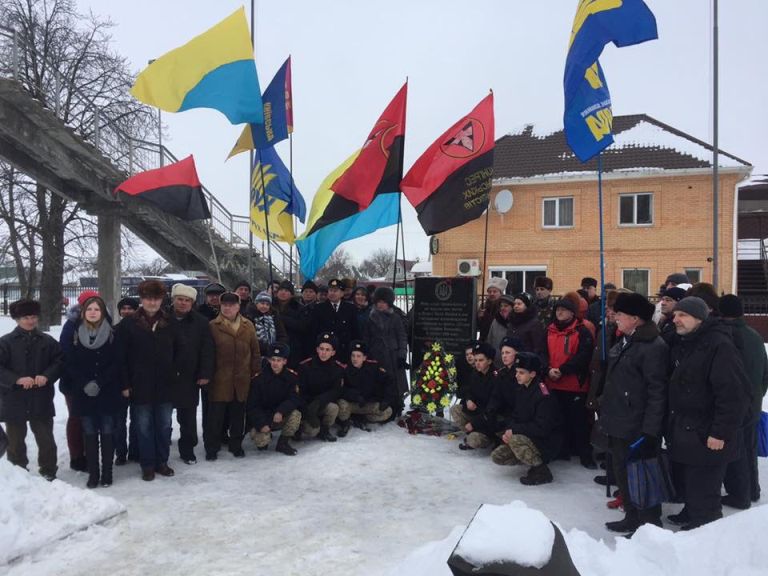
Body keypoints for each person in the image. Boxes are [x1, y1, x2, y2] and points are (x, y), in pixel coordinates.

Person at [666, 297, 749, 530]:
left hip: (709, 433)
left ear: (699, 318)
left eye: (683, 315)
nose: (676, 319)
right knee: (691, 481)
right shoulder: (687, 341)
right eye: (676, 315)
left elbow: (733, 395)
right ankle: (691, 512)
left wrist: (720, 432)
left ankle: (704, 526)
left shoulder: (719, 345)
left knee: (705, 488)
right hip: (687, 428)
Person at [597, 292, 669, 534]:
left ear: (636, 318)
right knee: (622, 472)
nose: (615, 317)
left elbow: (657, 392)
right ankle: (631, 515)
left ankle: (648, 523)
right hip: (619, 421)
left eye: (620, 314)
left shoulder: (652, 347)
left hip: (637, 425)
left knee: (642, 474)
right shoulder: (627, 340)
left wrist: (650, 431)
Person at [116, 280, 182, 481]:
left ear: (162, 300)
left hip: (165, 385)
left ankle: (162, 462)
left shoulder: (171, 323)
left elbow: (180, 352)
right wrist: (125, 384)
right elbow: (121, 357)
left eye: (156, 298)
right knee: (143, 426)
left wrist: (175, 373)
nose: (152, 303)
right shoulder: (128, 324)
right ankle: (147, 464)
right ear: (142, 300)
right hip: (139, 385)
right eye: (148, 298)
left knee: (164, 425)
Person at [62, 295, 122, 488]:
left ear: (102, 312)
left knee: (107, 430)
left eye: (97, 309)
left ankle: (107, 473)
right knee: (88, 431)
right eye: (89, 309)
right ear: (83, 312)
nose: (93, 312)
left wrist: (100, 382)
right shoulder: (75, 333)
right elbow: (69, 362)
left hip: (107, 391)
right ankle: (93, 473)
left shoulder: (113, 333)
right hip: (83, 392)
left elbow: (117, 363)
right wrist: (85, 383)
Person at [0, 299, 63, 481]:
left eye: (33, 317)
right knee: (15, 441)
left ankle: (49, 471)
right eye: (26, 317)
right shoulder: (5, 342)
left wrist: (47, 376)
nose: (30, 321)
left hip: (40, 397)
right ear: (17, 319)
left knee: (46, 440)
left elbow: (59, 362)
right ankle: (19, 473)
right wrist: (16, 379)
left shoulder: (47, 341)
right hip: (14, 399)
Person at [719, 294, 768, 507]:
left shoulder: (726, 336)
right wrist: (757, 394)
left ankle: (740, 494)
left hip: (736, 404)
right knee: (749, 447)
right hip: (753, 401)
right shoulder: (754, 335)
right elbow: (765, 373)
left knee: (735, 451)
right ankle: (752, 490)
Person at [490, 352, 562, 486]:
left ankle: (541, 470)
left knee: (515, 439)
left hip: (546, 442)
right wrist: (508, 429)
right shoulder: (522, 389)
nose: (517, 375)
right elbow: (515, 415)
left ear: (533, 374)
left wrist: (514, 431)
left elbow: (542, 428)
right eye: (517, 371)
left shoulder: (543, 395)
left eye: (521, 372)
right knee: (498, 456)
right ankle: (528, 459)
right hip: (529, 436)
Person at [206, 292, 261, 460]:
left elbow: (255, 351)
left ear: (238, 306)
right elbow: (207, 354)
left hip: (242, 380)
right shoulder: (212, 326)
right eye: (225, 305)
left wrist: (255, 370)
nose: (228, 308)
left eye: (232, 305)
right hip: (220, 380)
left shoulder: (248, 325)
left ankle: (236, 445)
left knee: (238, 417)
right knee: (216, 418)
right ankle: (212, 448)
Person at [544, 297, 595, 468]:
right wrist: (548, 369)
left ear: (572, 313)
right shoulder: (549, 330)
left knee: (579, 421)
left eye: (563, 310)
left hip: (574, 384)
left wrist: (563, 370)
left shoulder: (582, 331)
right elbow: (541, 352)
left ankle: (584, 454)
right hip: (553, 382)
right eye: (557, 309)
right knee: (558, 419)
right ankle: (561, 450)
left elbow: (584, 356)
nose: (559, 312)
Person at [168, 283, 215, 465]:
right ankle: (162, 445)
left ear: (192, 303)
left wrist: (205, 373)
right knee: (164, 416)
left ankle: (187, 449)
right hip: (166, 376)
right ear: (173, 300)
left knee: (187, 417)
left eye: (187, 300)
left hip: (190, 376)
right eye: (180, 299)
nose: (183, 303)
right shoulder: (163, 318)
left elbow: (207, 350)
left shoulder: (201, 322)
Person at [59, 289, 100, 473]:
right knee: (76, 418)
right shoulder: (71, 326)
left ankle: (90, 452)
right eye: (88, 305)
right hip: (74, 382)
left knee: (92, 418)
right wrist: (81, 379)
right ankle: (77, 456)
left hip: (96, 382)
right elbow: (66, 355)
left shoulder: (102, 323)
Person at [246, 343, 302, 456]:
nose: (275, 363)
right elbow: (252, 406)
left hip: (280, 416)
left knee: (296, 414)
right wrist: (262, 423)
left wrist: (281, 411)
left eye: (279, 360)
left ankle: (283, 443)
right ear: (268, 360)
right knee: (261, 441)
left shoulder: (291, 377)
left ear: (284, 361)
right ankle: (266, 437)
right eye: (273, 359)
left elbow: (294, 398)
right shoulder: (258, 380)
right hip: (264, 417)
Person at [363, 286, 408, 415]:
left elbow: (402, 336)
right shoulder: (371, 317)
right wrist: (367, 353)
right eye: (379, 302)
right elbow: (366, 337)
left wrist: (401, 354)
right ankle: (382, 405)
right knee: (380, 379)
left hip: (393, 355)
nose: (381, 305)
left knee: (395, 382)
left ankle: (397, 405)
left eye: (384, 302)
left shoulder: (395, 317)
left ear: (389, 303)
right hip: (376, 354)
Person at [336, 340, 394, 436]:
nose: (355, 359)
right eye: (353, 355)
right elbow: (340, 389)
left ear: (364, 357)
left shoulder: (373, 367)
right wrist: (355, 396)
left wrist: (387, 400)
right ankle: (346, 422)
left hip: (368, 404)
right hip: (352, 404)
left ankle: (364, 419)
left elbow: (389, 382)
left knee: (387, 411)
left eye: (358, 356)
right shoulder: (344, 369)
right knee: (341, 405)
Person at [297, 332, 344, 442]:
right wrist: (309, 410)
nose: (324, 353)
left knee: (333, 408)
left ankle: (325, 430)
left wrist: (319, 401)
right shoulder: (305, 366)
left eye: (328, 350)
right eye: (321, 349)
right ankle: (298, 429)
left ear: (333, 352)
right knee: (312, 430)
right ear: (317, 349)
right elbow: (300, 392)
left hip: (321, 403)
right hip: (306, 406)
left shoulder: (337, 368)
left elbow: (336, 390)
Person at [451, 341, 497, 451]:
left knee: (473, 441)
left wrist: (474, 424)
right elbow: (470, 390)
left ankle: (490, 439)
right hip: (476, 414)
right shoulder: (476, 374)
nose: (477, 363)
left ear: (489, 361)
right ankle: (473, 433)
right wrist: (469, 399)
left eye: (481, 360)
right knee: (456, 410)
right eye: (476, 360)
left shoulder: (496, 378)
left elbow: (493, 409)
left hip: (489, 421)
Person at [114, 296, 139, 465]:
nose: (127, 311)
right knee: (119, 421)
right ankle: (121, 452)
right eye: (124, 308)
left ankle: (135, 451)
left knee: (137, 420)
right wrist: (123, 383)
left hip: (139, 380)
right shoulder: (114, 330)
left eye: (130, 308)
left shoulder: (143, 329)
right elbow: (117, 359)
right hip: (120, 382)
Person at [312, 278, 359, 362]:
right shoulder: (319, 308)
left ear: (342, 293)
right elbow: (314, 331)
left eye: (335, 291)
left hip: (344, 353)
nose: (332, 293)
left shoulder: (350, 308)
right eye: (330, 290)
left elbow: (355, 332)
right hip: (324, 353)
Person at [505, 292, 546, 360]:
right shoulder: (512, 321)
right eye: (514, 304)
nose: (516, 306)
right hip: (511, 360)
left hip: (527, 361)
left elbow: (538, 346)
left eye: (519, 304)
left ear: (527, 305)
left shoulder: (534, 323)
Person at [251, 291, 288, 357]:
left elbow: (282, 334)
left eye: (267, 304)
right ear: (256, 303)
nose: (264, 306)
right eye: (262, 303)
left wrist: (277, 346)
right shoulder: (250, 317)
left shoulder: (275, 317)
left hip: (273, 353)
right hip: (256, 353)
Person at [485, 294, 514, 367]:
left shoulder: (517, 321)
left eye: (506, 306)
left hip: (513, 364)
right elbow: (490, 340)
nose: (503, 308)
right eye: (501, 306)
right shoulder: (496, 321)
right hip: (496, 362)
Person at [478, 277, 507, 341]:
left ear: (500, 293)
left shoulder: (504, 306)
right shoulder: (483, 305)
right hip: (484, 339)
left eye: (494, 291)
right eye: (489, 292)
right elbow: (478, 326)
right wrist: (479, 317)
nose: (492, 294)